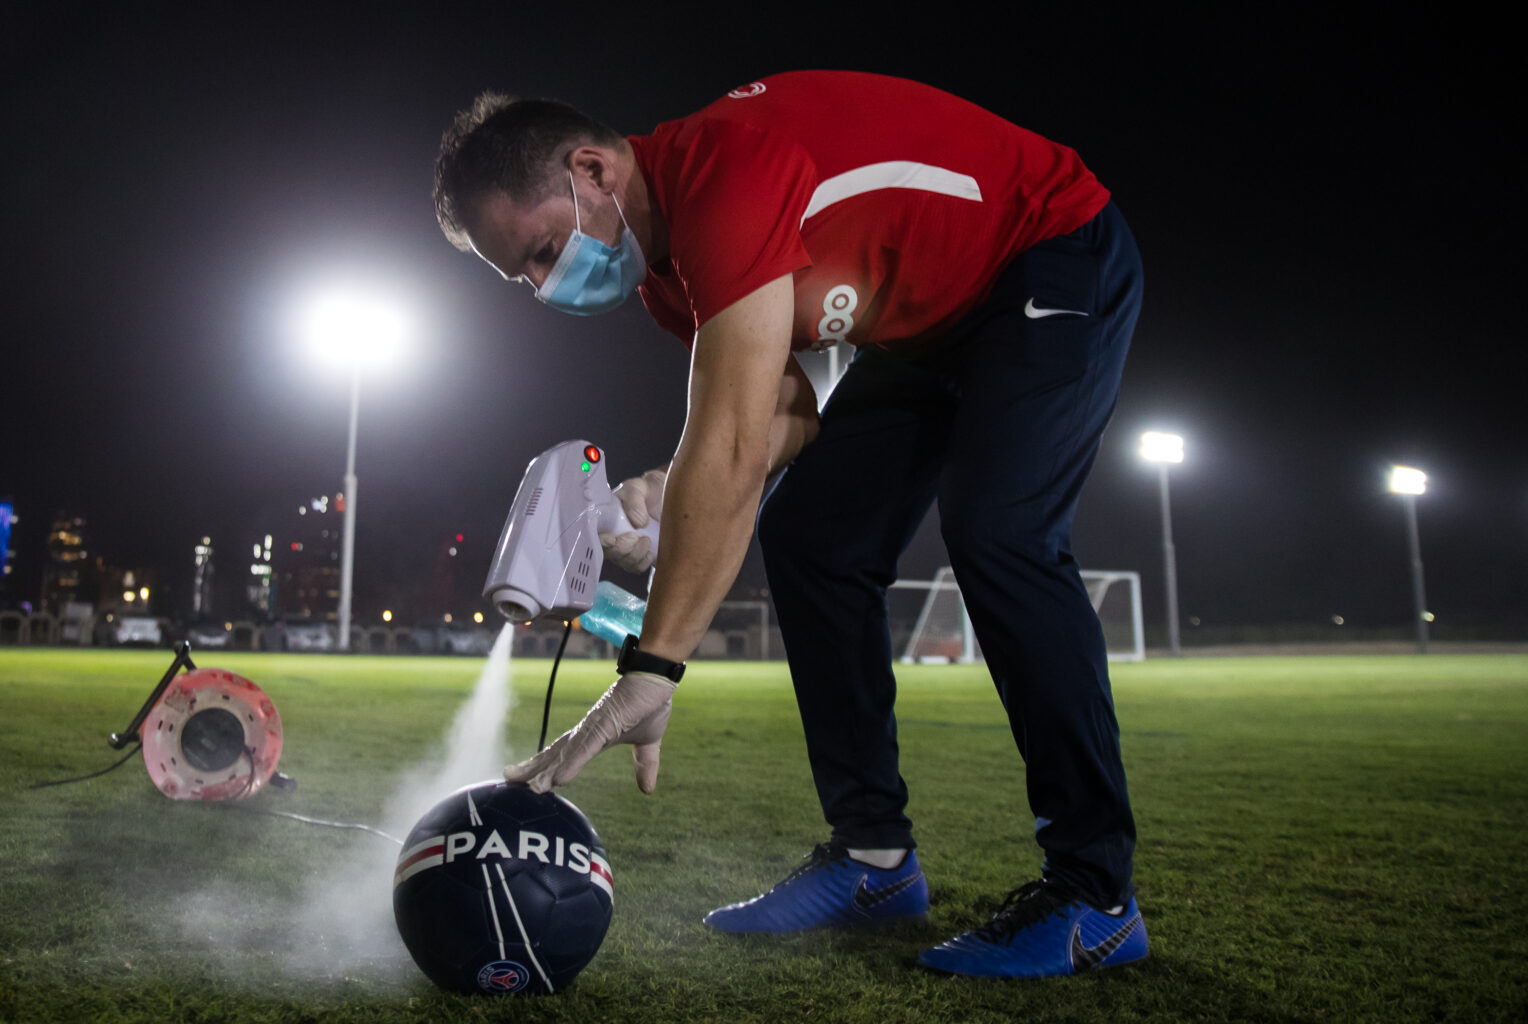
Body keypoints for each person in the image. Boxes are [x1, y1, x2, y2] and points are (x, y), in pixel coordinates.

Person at [433, 70, 1146, 979]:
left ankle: (1098, 894)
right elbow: (783, 409)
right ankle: (875, 859)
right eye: (520, 276)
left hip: (1047, 251)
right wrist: (662, 502)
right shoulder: (669, 283)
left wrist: (653, 667)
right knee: (814, 536)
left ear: (592, 170)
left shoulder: (722, 179)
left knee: (1001, 533)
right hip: (919, 329)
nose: (540, 287)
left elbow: (729, 443)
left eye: (536, 251)